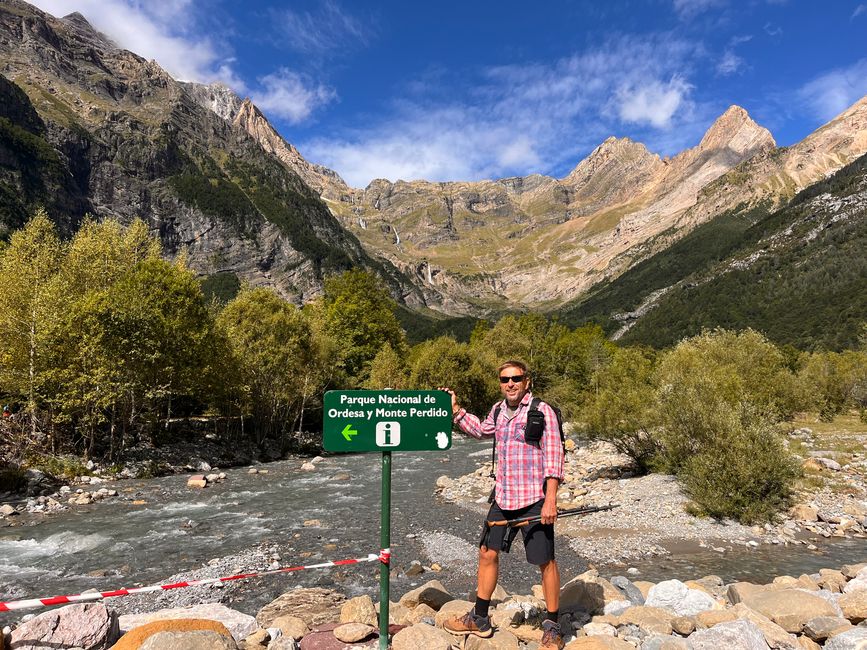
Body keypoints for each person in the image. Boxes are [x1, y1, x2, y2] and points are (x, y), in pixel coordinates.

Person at [441, 360, 565, 650]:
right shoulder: (497, 410)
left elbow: (554, 456)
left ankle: (552, 626)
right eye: (504, 379)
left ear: (526, 381)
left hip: (534, 499)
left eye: (516, 378)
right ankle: (480, 618)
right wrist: (456, 411)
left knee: (545, 561)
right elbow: (482, 431)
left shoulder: (541, 411)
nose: (510, 383)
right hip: (503, 497)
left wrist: (550, 500)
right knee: (486, 553)